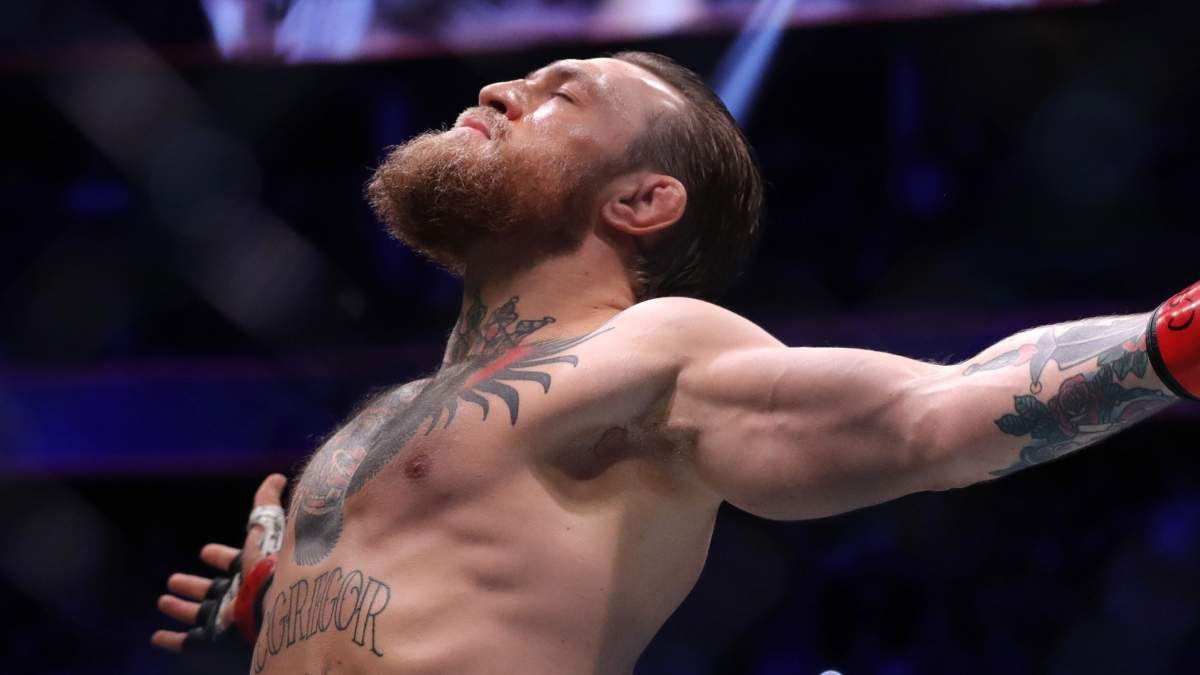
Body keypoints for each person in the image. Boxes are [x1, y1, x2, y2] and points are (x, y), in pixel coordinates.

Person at [151, 51, 1199, 674]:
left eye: (561, 95)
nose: (501, 88)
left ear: (642, 200)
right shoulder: (383, 415)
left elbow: (932, 411)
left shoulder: (650, 349)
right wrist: (268, 610)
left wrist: (1171, 340)